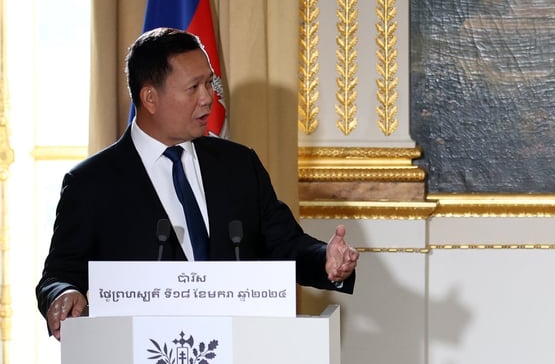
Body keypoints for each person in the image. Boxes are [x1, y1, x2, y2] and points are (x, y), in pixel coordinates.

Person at [36, 28, 359, 339]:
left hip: (240, 353)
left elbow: (284, 245)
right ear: (150, 97)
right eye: (194, 88)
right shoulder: (92, 183)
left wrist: (324, 259)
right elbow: (59, 273)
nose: (208, 98)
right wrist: (63, 293)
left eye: (209, 83)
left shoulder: (238, 164)